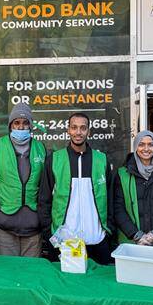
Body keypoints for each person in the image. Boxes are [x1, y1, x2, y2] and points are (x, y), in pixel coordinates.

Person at [38, 112, 114, 264]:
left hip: (97, 239)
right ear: (68, 130)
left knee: (99, 279)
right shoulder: (55, 159)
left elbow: (111, 198)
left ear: (88, 131)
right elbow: (44, 199)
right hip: (64, 242)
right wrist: (49, 232)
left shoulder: (101, 160)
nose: (78, 132)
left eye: (83, 128)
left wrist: (109, 230)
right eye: (74, 127)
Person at [0, 104, 44, 257]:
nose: (21, 127)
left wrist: (41, 217)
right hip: (5, 227)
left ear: (31, 126)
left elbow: (47, 188)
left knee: (31, 270)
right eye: (16, 123)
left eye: (25, 123)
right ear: (10, 125)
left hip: (33, 228)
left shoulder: (41, 149)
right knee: (8, 270)